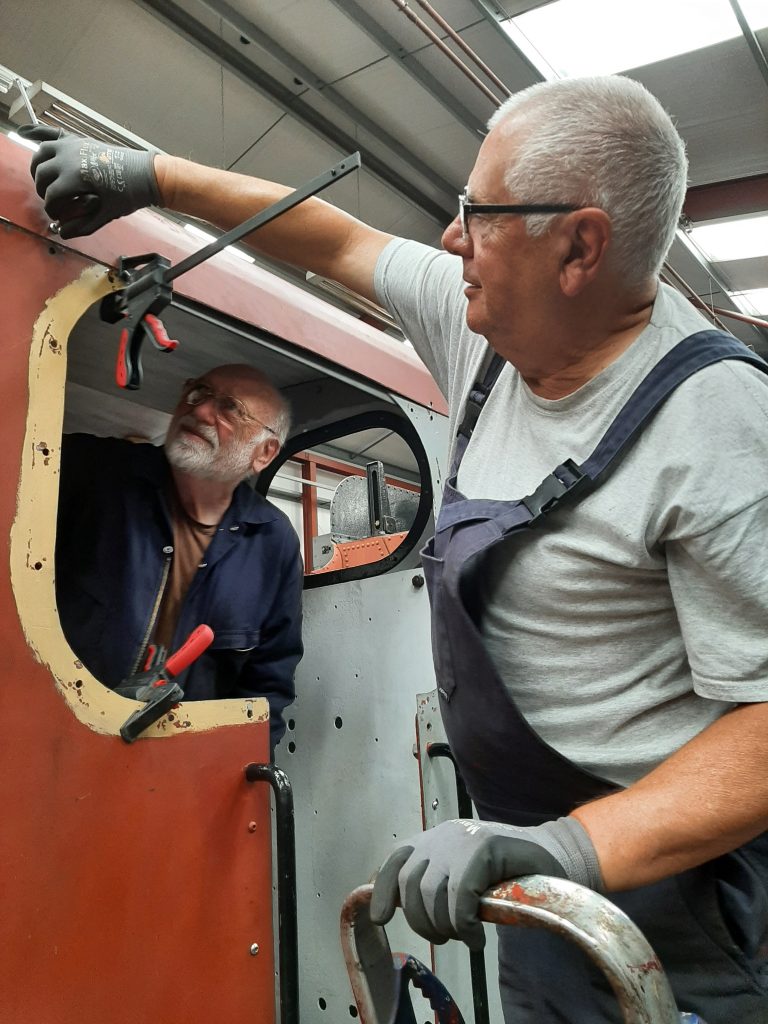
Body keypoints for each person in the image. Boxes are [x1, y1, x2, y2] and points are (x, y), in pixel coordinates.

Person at [21, 74, 768, 1022]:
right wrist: (151, 175)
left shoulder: (719, 424)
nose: (451, 238)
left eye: (480, 214)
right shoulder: (483, 330)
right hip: (529, 867)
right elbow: (337, 238)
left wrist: (567, 850)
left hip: (674, 902)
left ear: (579, 246)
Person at [55, 364, 303, 752]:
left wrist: (234, 780)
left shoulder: (274, 541)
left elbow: (265, 689)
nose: (201, 410)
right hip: (56, 739)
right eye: (199, 392)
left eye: (230, 408)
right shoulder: (93, 471)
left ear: (264, 452)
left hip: (177, 766)